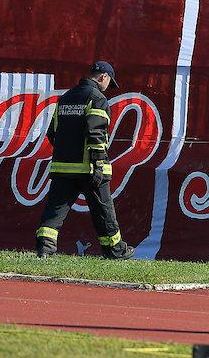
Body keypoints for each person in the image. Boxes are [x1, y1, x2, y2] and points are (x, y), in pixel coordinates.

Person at [35, 61, 135, 260]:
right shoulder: (97, 98)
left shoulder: (65, 98)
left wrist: (67, 153)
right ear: (104, 77)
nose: (107, 87)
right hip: (89, 168)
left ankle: (45, 249)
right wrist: (98, 163)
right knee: (103, 210)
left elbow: (53, 133)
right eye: (109, 82)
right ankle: (115, 250)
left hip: (63, 168)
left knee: (55, 209)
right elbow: (95, 132)